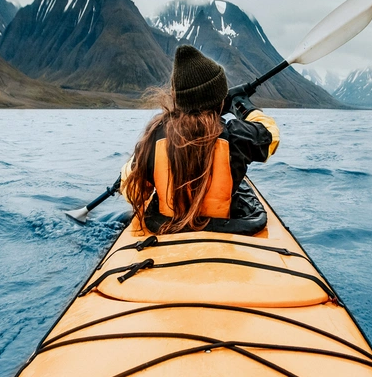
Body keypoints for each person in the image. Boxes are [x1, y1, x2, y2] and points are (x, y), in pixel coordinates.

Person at [119, 45, 279, 236]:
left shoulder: (154, 137)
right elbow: (271, 134)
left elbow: (133, 192)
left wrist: (135, 161)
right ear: (220, 100)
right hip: (226, 228)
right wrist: (244, 107)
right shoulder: (236, 137)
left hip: (166, 229)